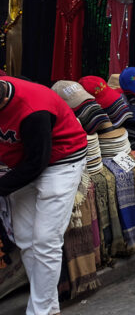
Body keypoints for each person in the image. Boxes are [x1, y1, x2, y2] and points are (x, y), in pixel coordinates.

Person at [0, 77, 88, 315]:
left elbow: (35, 164)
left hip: (60, 161)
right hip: (21, 162)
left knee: (46, 240)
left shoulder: (33, 110)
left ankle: (39, 312)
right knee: (26, 238)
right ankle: (48, 308)